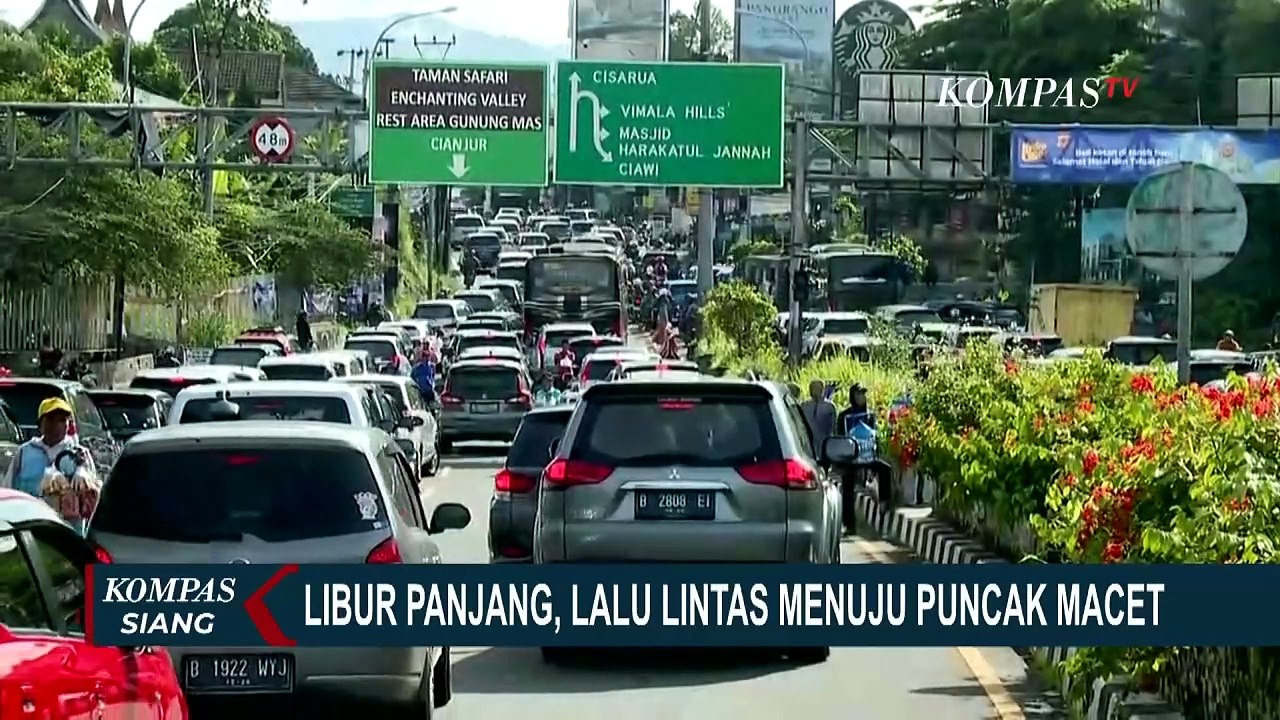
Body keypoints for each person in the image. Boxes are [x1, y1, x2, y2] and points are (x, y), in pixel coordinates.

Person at [3, 398, 99, 534]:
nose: (56, 425)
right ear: (40, 424)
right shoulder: (25, 452)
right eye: (51, 419)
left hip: (69, 532)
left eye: (62, 420)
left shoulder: (79, 454)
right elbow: (9, 487)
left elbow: (92, 497)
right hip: (30, 527)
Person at [799, 380, 837, 451]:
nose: (815, 391)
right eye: (813, 388)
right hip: (808, 443)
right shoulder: (804, 406)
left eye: (818, 388)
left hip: (825, 442)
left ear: (822, 389)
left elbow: (834, 428)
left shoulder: (830, 406)